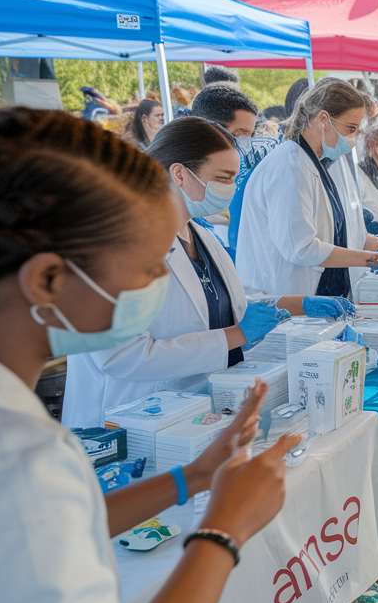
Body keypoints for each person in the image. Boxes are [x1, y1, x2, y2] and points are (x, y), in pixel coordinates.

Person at [0, 107, 302, 603]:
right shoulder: (13, 457)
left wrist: (192, 477)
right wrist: (223, 532)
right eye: (147, 270)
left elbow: (59, 527)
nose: (155, 284)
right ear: (47, 282)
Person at [61, 117, 353, 428]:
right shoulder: (113, 243)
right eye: (224, 177)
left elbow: (227, 299)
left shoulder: (198, 235)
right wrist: (237, 334)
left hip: (190, 412)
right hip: (126, 421)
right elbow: (121, 357)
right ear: (180, 174)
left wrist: (298, 304)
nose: (232, 188)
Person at [235, 77, 378, 298]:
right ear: (324, 119)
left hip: (316, 294)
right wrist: (370, 259)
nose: (352, 138)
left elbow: (340, 234)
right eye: (350, 128)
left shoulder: (316, 164)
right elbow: (301, 248)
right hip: (283, 296)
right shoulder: (289, 166)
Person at [190, 83, 279, 254]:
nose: (245, 144)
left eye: (249, 135)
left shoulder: (244, 170)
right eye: (240, 134)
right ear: (212, 129)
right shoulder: (185, 176)